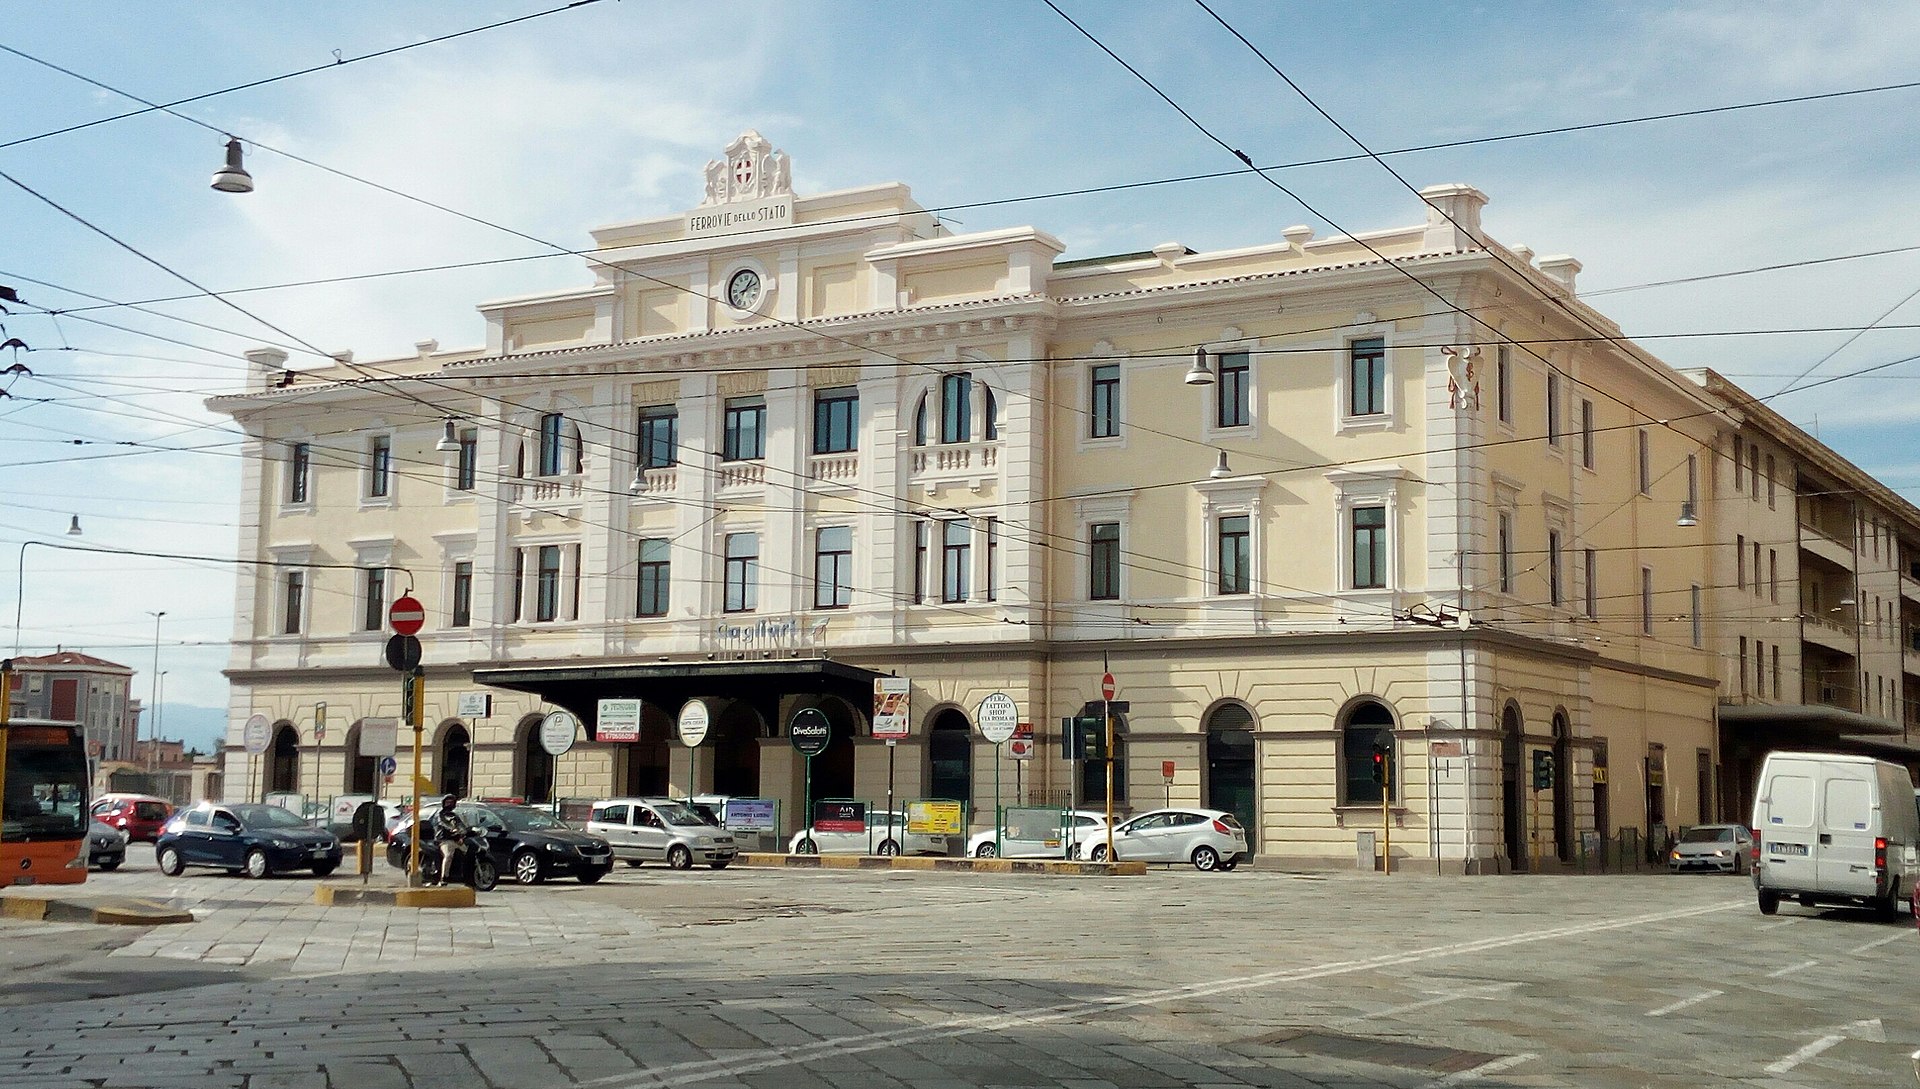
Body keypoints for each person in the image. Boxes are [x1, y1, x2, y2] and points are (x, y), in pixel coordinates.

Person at [427, 795, 469, 886]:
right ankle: (444, 877)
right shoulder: (440, 815)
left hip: (455, 839)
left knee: (468, 852)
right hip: (444, 839)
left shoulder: (454, 815)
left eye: (451, 802)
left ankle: (467, 875)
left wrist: (463, 833)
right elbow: (444, 825)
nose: (449, 804)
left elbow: (461, 826)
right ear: (443, 803)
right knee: (448, 855)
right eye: (447, 802)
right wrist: (453, 832)